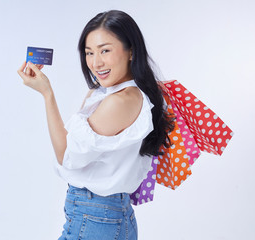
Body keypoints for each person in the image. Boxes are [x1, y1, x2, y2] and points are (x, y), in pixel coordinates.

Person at [17, 10, 174, 240]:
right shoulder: (117, 94)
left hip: (94, 217)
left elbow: (67, 156)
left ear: (131, 51)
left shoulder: (119, 102)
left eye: (105, 50)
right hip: (105, 216)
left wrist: (47, 94)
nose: (95, 62)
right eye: (89, 53)